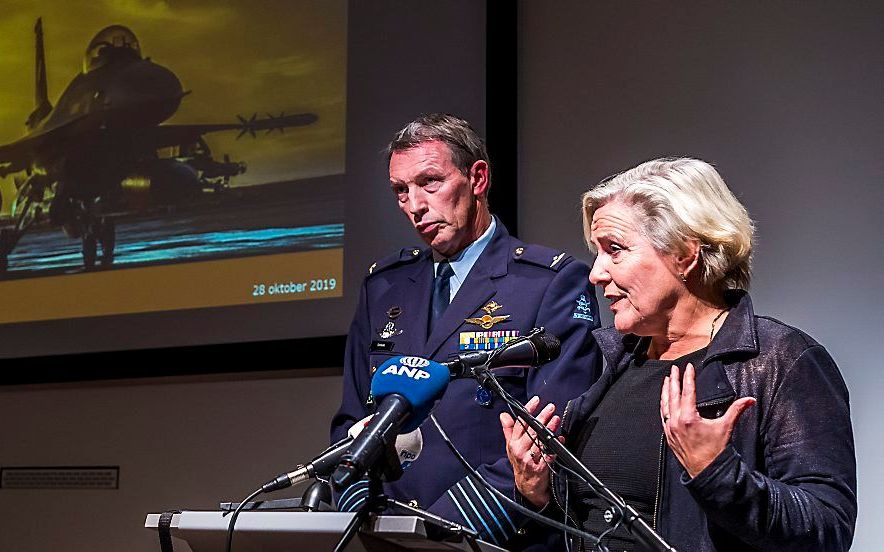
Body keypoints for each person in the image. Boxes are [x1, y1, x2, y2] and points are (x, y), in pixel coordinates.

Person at [502, 158, 857, 551]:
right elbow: (594, 521)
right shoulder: (607, 362)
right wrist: (539, 494)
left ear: (684, 255)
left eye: (614, 250)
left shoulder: (781, 361)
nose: (596, 273)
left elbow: (828, 529)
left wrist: (716, 472)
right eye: (597, 252)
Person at [331, 113, 602, 548]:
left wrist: (437, 537)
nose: (414, 205)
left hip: (495, 537)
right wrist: (365, 524)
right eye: (401, 190)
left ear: (477, 178)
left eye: (430, 182)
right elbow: (351, 425)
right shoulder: (383, 286)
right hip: (386, 537)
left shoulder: (549, 281)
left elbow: (552, 431)